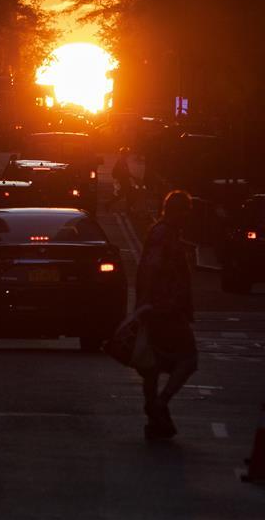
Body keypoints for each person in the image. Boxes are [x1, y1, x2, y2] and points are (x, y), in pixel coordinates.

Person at [136, 190, 199, 440]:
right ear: (177, 211)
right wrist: (145, 303)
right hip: (165, 309)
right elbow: (150, 268)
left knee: (152, 364)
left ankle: (155, 416)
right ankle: (160, 404)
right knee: (188, 358)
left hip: (160, 307)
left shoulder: (164, 232)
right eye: (186, 212)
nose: (187, 218)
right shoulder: (164, 234)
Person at [110, 147, 138, 212]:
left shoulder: (122, 160)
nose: (129, 154)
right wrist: (133, 177)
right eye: (128, 153)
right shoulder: (122, 161)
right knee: (130, 193)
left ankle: (110, 204)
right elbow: (125, 171)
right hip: (123, 179)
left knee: (125, 193)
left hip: (123, 178)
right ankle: (128, 208)